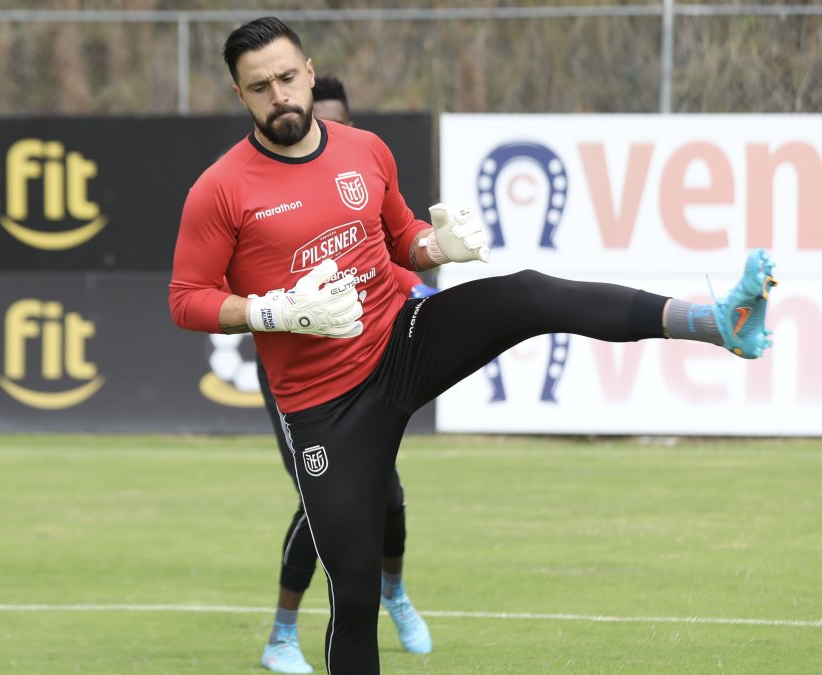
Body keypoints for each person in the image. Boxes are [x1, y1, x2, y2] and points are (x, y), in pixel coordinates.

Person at [169, 17, 777, 675]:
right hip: (325, 409)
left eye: (287, 78)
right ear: (240, 96)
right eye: (259, 87)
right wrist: (273, 309)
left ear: (310, 72)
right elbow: (186, 298)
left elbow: (400, 234)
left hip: (400, 341)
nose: (278, 96)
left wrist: (438, 248)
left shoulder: (364, 149)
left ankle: (717, 321)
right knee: (354, 593)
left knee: (528, 293)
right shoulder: (220, 188)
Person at [255, 74, 435, 675]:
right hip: (304, 378)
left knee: (388, 495)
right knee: (326, 503)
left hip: (365, 361)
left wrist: (423, 281)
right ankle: (281, 635)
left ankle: (395, 594)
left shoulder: (359, 169)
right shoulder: (266, 188)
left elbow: (392, 250)